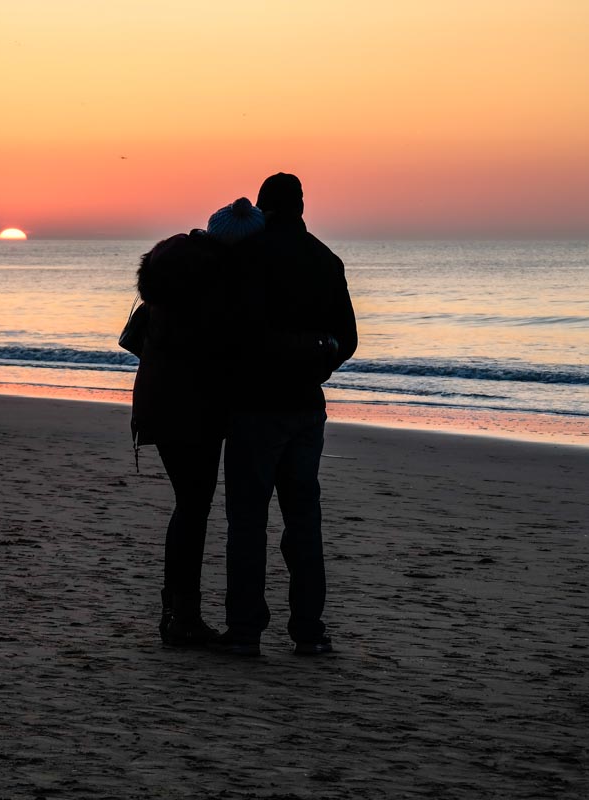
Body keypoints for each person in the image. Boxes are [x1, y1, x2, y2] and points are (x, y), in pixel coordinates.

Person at [218, 173, 357, 657]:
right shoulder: (325, 259)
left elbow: (229, 333)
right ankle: (308, 630)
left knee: (248, 521)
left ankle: (244, 631)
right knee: (303, 520)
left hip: (254, 406)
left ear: (261, 208)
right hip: (305, 406)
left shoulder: (245, 257)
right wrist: (316, 366)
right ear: (302, 206)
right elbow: (350, 341)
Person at [131, 198, 264, 647]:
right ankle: (181, 617)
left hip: (156, 398)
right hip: (194, 409)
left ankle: (176, 611)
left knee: (188, 506)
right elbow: (222, 347)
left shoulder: (169, 262)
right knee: (194, 508)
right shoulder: (213, 279)